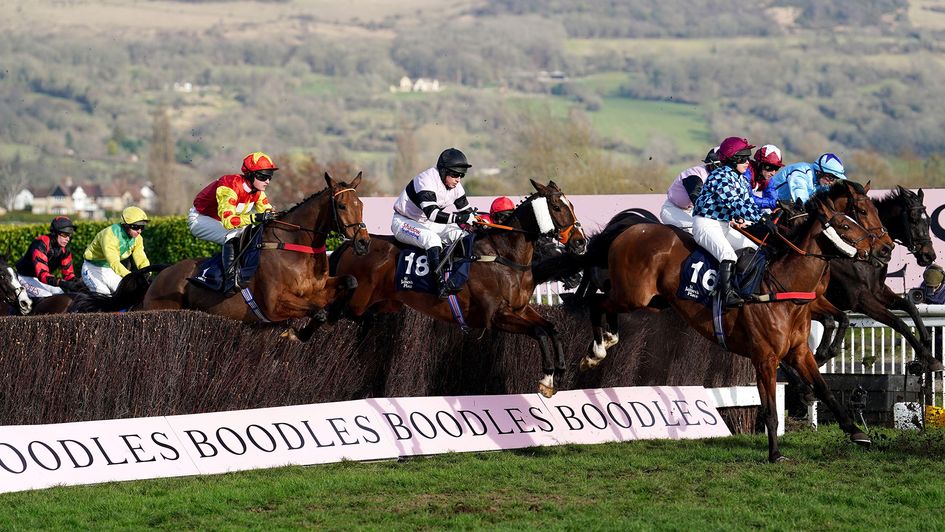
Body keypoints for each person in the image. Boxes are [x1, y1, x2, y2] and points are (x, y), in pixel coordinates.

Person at [392, 147, 475, 298]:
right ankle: (439, 285)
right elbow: (433, 214)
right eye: (455, 174)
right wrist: (459, 219)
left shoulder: (455, 186)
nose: (458, 179)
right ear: (443, 171)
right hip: (404, 221)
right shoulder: (426, 180)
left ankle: (457, 279)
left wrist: (476, 221)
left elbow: (467, 213)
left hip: (425, 223)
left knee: (460, 234)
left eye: (461, 175)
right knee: (432, 239)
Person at [190, 151, 277, 294]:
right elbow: (229, 222)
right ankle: (230, 281)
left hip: (221, 222)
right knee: (236, 232)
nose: (267, 181)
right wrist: (256, 218)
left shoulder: (258, 192)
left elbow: (269, 213)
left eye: (270, 177)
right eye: (263, 176)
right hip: (200, 219)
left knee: (255, 232)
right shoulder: (229, 186)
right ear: (250, 174)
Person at [692, 136, 763, 308]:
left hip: (722, 225)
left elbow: (748, 204)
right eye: (744, 158)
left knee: (755, 249)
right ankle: (726, 295)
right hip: (705, 224)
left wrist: (763, 218)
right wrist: (761, 219)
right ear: (733, 158)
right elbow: (736, 204)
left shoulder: (741, 178)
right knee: (728, 255)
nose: (748, 162)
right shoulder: (720, 176)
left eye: (748, 158)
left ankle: (745, 288)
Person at [82, 206, 151, 295]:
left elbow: (140, 257)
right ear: (125, 225)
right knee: (104, 295)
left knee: (127, 293)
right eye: (136, 227)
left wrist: (147, 272)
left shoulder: (138, 239)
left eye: (142, 227)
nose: (139, 231)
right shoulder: (109, 236)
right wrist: (131, 277)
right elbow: (114, 263)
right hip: (92, 268)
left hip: (109, 269)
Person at [15, 216, 84, 298]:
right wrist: (64, 283)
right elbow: (42, 275)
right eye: (65, 235)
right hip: (24, 277)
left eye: (69, 235)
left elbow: (69, 275)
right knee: (46, 296)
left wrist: (80, 283)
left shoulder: (65, 251)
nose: (68, 239)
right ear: (55, 233)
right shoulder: (40, 244)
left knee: (61, 296)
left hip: (40, 280)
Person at [660, 147, 721, 232]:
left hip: (691, 211)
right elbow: (698, 200)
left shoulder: (718, 177)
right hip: (673, 210)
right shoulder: (695, 175)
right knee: (700, 229)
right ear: (712, 164)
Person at [760, 152, 846, 207]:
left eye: (835, 179)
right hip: (765, 200)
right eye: (830, 178)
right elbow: (801, 200)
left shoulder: (822, 182)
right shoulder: (801, 173)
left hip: (782, 205)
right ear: (819, 172)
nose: (831, 182)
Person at [744, 144, 784, 210]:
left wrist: (779, 206)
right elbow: (747, 199)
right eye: (770, 168)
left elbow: (773, 197)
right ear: (760, 164)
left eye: (776, 168)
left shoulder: (767, 179)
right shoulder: (747, 172)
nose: (773, 173)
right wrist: (774, 203)